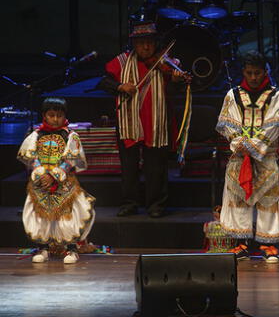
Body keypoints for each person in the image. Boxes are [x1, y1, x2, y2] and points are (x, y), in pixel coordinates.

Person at [98, 21, 187, 218]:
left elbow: (173, 92)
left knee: (156, 167)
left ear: (156, 43)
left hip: (155, 121)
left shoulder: (166, 63)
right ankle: (129, 203)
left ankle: (156, 204)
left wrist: (174, 81)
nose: (146, 47)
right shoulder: (122, 61)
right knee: (129, 167)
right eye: (141, 43)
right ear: (134, 45)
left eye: (149, 42)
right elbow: (103, 82)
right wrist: (120, 86)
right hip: (129, 122)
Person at [216, 51, 279, 263]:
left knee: (267, 199)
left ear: (264, 72)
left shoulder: (278, 96)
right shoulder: (232, 95)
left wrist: (253, 146)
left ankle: (268, 243)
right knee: (239, 196)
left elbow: (276, 125)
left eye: (257, 73)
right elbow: (227, 123)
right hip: (240, 157)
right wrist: (238, 143)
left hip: (265, 156)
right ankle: (241, 243)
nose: (253, 77)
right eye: (249, 73)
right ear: (243, 71)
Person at [17, 97, 96, 264]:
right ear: (44, 115)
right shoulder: (36, 135)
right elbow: (32, 157)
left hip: (64, 182)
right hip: (41, 182)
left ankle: (71, 250)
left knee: (67, 216)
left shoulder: (70, 136)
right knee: (42, 217)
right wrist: (42, 173)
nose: (55, 119)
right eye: (51, 115)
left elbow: (71, 158)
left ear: (64, 115)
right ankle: (44, 248)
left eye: (59, 115)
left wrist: (54, 175)